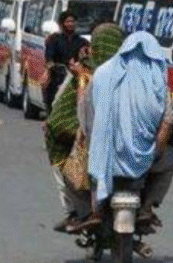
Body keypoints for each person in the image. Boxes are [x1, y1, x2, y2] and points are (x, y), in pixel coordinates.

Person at [76, 31, 173, 234]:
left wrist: (92, 140)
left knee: (86, 158)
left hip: (106, 152)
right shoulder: (158, 80)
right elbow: (168, 121)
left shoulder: (103, 73)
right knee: (172, 157)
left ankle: (92, 210)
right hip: (143, 157)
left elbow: (86, 113)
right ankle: (147, 205)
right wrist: (153, 152)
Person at [43, 23, 124, 233]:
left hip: (89, 138)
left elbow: (61, 112)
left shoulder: (84, 72)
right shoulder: (131, 71)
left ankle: (74, 211)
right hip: (128, 142)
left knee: (63, 161)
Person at [43, 11, 86, 108]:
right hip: (58, 75)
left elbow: (86, 57)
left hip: (76, 76)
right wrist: (50, 69)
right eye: (68, 21)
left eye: (72, 21)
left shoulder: (82, 41)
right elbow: (49, 58)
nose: (70, 24)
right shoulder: (54, 39)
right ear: (62, 24)